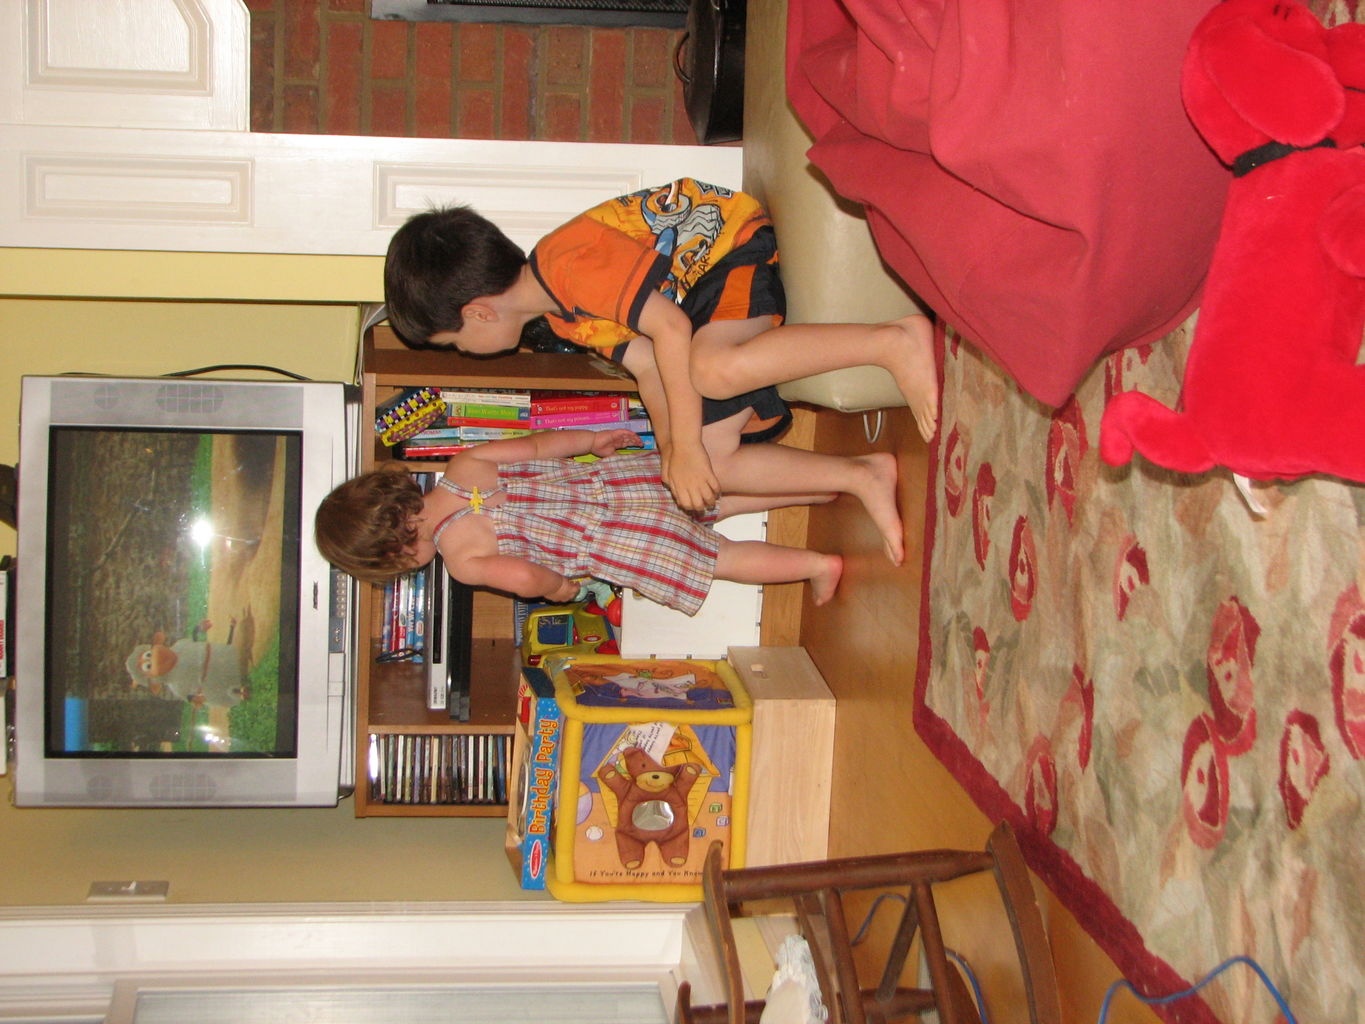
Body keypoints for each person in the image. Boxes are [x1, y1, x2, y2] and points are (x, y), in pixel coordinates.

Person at [382, 178, 938, 514]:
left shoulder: (566, 264)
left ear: (477, 311)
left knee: (712, 371)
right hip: (695, 304)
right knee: (713, 464)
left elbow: (670, 329)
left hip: (725, 249)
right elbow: (649, 369)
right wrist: (677, 452)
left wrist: (686, 447)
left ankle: (892, 341)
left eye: (454, 342)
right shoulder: (561, 320)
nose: (465, 352)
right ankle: (862, 474)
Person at [315, 428, 905, 614]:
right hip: (621, 482)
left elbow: (527, 580)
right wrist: (597, 438)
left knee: (719, 558)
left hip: (621, 543)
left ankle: (817, 564)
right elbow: (543, 447)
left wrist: (564, 590)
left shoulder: (463, 560)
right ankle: (834, 477)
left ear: (395, 554)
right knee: (717, 492)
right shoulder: (463, 464)